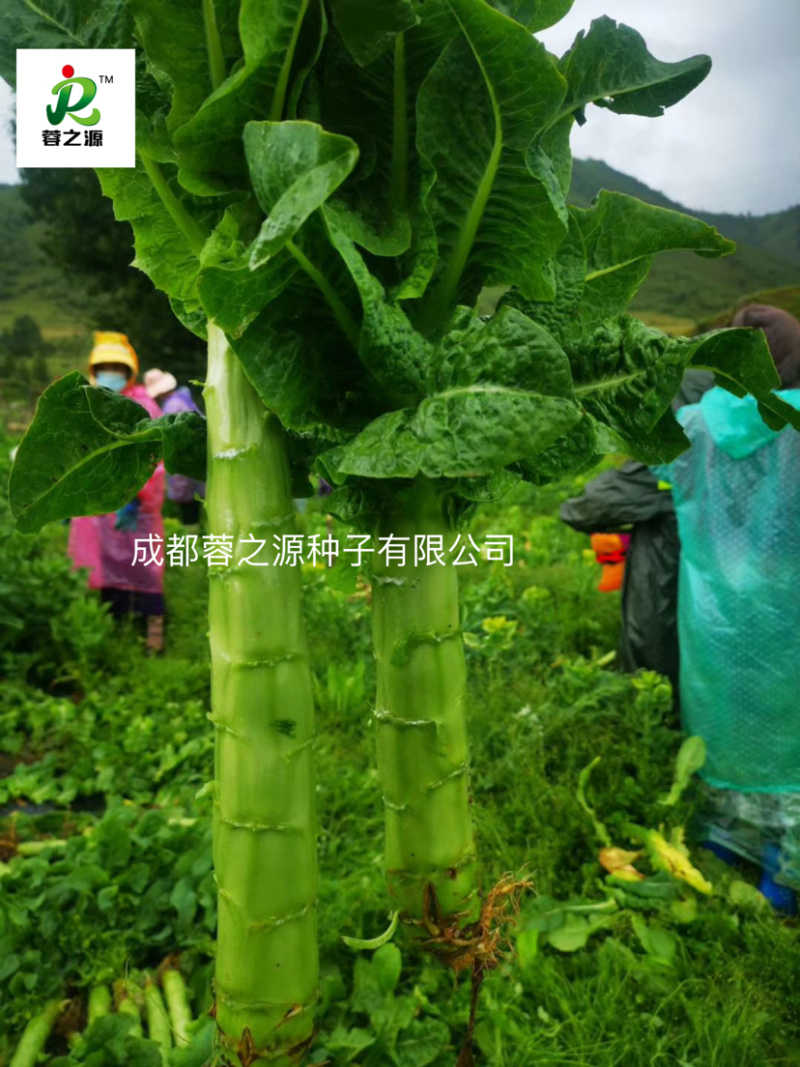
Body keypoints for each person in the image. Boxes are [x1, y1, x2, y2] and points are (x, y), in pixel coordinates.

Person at [656, 305, 800, 910]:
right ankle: (782, 875)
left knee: (723, 720)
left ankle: (724, 844)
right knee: (788, 731)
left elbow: (660, 477)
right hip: (788, 612)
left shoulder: (692, 425)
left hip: (714, 610)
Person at [559, 370, 714, 704]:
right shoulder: (758, 444)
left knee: (660, 690)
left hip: (668, 592)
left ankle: (660, 728)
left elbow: (589, 507)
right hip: (734, 603)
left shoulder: (675, 456)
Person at [68, 333, 166, 654]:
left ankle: (154, 633)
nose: (110, 373)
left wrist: (136, 497)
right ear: (94, 371)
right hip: (101, 508)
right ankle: (117, 629)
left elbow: (156, 458)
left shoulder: (143, 405)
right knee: (108, 565)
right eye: (104, 367)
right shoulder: (89, 405)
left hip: (137, 508)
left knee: (145, 567)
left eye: (116, 367)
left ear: (129, 372)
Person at [143, 369, 205, 527]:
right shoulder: (183, 397)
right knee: (197, 502)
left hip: (183, 462)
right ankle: (197, 532)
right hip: (197, 456)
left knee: (188, 507)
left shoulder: (171, 406)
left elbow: (171, 439)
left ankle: (192, 541)